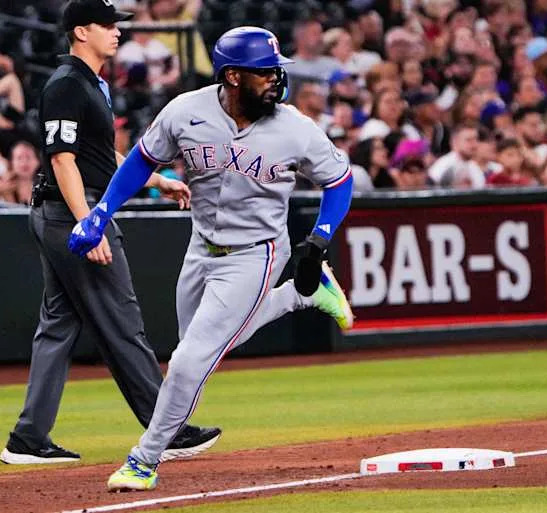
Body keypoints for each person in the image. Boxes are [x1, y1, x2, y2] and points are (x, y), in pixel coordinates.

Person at [66, 25, 355, 491]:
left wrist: (320, 236)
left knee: (188, 361)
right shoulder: (186, 111)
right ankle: (302, 296)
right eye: (265, 73)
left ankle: (144, 459)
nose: (276, 81)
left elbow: (340, 181)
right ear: (233, 76)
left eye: (276, 72)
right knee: (203, 351)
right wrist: (101, 212)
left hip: (256, 253)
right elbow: (143, 159)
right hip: (200, 248)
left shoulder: (295, 128)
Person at [0, 0, 222, 467]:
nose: (117, 32)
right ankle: (169, 428)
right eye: (107, 25)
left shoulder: (88, 84)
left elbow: (101, 155)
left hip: (63, 213)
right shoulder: (65, 85)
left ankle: (28, 437)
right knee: (122, 323)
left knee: (58, 327)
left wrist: (156, 179)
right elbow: (63, 160)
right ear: (81, 32)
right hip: (70, 216)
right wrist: (90, 223)